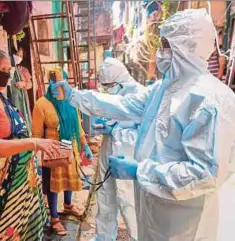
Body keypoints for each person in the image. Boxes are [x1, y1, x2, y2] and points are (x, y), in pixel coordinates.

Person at [52, 9, 235, 241]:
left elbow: (204, 173)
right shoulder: (163, 89)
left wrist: (140, 171)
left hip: (184, 221)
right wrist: (74, 96)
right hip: (151, 204)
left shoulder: (210, 100)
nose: (160, 52)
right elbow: (122, 105)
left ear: (186, 47)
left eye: (165, 45)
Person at [0, 48, 61, 240]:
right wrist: (32, 143)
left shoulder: (1, 97)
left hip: (25, 184)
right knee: (7, 233)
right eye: (4, 69)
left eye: (9, 70)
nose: (8, 75)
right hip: (2, 189)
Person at [32, 69, 93, 236]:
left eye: (60, 82)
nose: (56, 86)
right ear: (48, 84)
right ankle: (54, 218)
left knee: (69, 178)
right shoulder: (41, 104)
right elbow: (36, 134)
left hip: (69, 147)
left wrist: (85, 146)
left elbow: (78, 127)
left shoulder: (72, 102)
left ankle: (67, 205)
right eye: (52, 82)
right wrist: (37, 156)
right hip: (51, 150)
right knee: (52, 184)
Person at [91, 57, 144, 241]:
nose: (107, 89)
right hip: (108, 150)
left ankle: (139, 237)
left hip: (128, 157)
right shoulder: (113, 96)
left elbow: (143, 135)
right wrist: (106, 126)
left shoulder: (140, 95)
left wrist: (116, 131)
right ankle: (104, 236)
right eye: (104, 86)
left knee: (129, 201)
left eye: (109, 85)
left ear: (120, 80)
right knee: (105, 196)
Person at [8, 45, 33, 134]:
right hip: (12, 99)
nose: (20, 58)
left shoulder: (23, 70)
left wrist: (24, 84)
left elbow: (30, 84)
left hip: (22, 100)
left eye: (21, 56)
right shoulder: (8, 68)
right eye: (18, 56)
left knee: (24, 116)